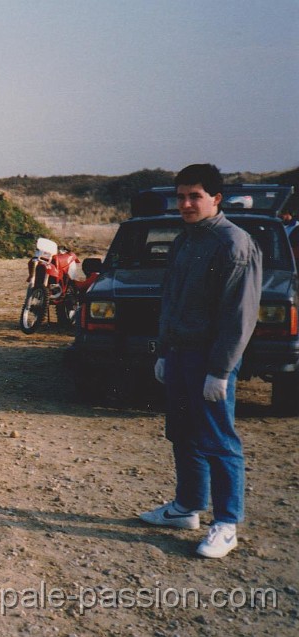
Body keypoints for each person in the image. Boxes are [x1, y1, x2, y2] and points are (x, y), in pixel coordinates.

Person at [141, 164, 262, 559]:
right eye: (180, 197)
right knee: (182, 432)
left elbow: (239, 316)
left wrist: (221, 370)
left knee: (218, 439)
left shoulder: (233, 244)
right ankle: (186, 508)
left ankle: (226, 524)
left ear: (216, 198)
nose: (186, 204)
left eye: (195, 196)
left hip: (210, 361)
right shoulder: (184, 240)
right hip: (178, 355)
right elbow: (170, 300)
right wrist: (163, 350)